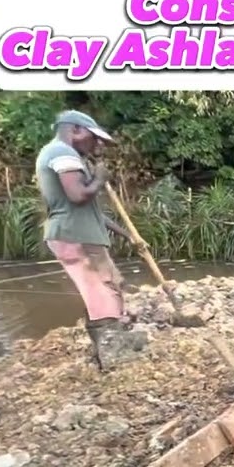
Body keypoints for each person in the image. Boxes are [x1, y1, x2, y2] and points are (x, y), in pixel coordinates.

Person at [36, 110, 147, 369]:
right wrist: (98, 178)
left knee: (111, 284)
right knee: (102, 293)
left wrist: (127, 235)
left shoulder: (67, 156)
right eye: (94, 138)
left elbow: (90, 211)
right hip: (76, 236)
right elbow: (77, 196)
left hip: (79, 233)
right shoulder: (62, 154)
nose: (97, 145)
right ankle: (113, 359)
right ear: (75, 130)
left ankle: (110, 346)